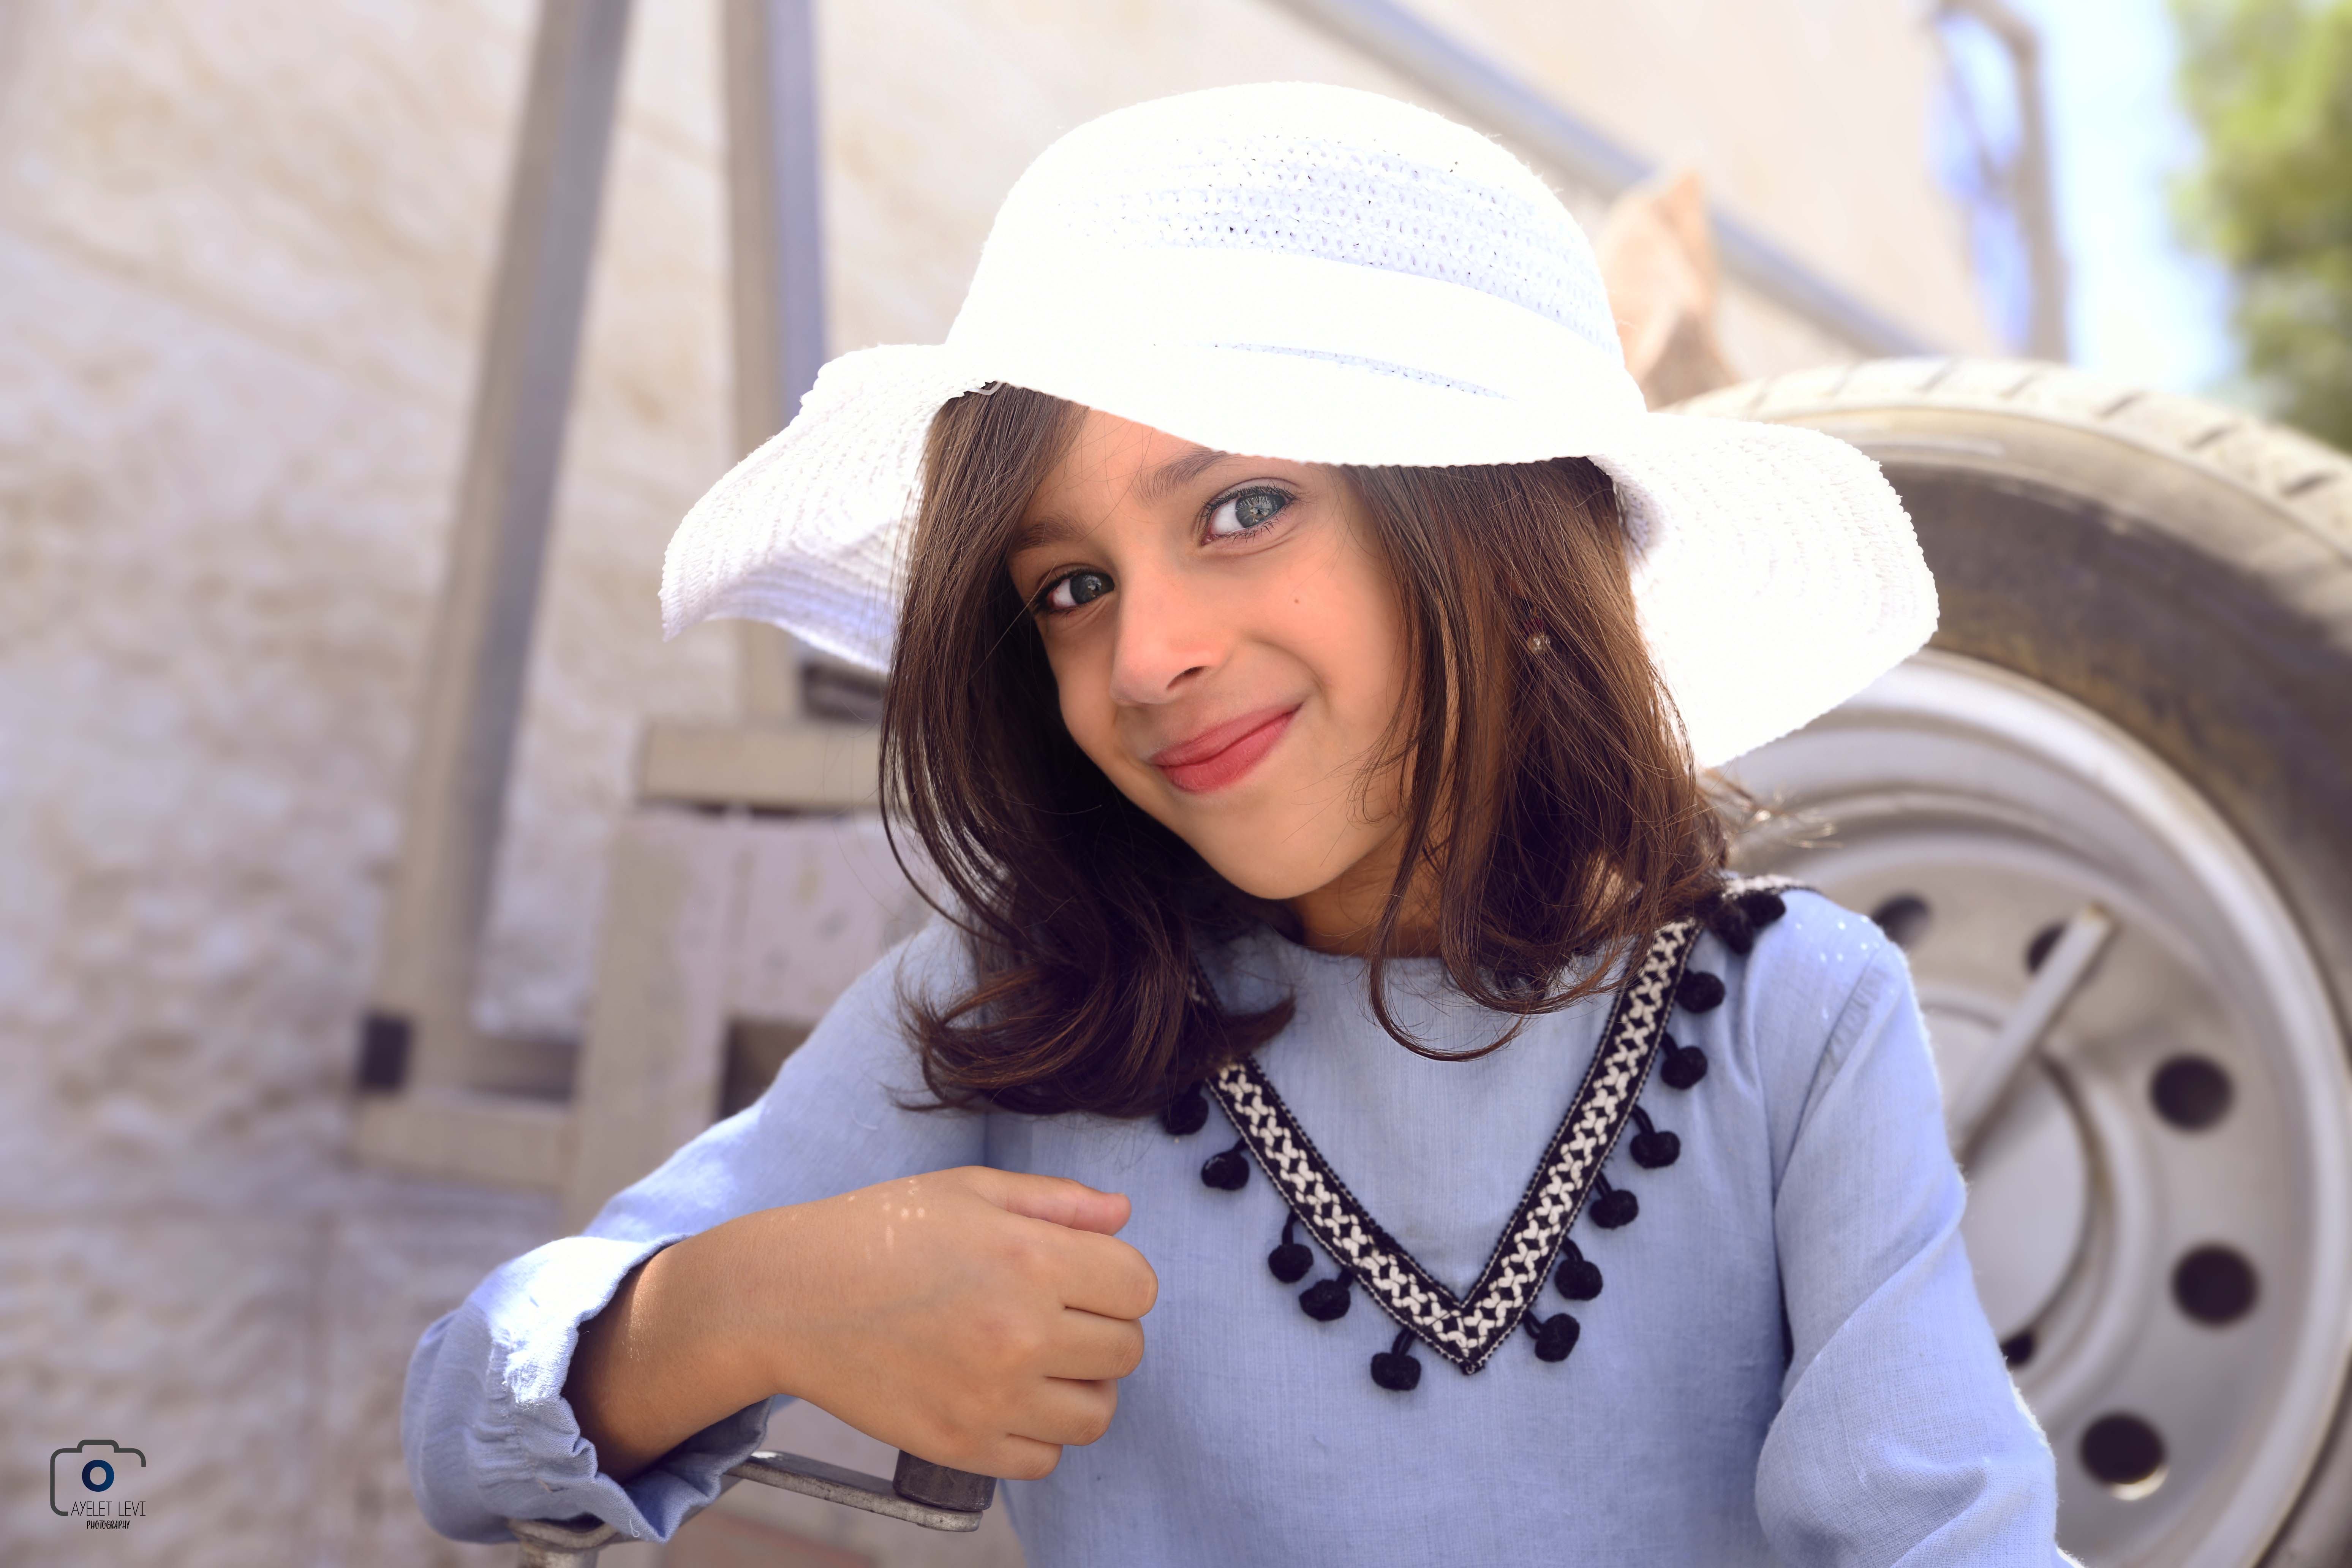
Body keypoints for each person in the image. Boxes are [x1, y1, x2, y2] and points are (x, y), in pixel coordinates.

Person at [404, 83, 2071, 1565]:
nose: (1147, 656)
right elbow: (464, 1428)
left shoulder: (1800, 1020)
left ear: (1497, 529)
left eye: (1243, 508)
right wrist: (759, 1300)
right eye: (1070, 588)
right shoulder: (1019, 1011)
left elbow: (1948, 1536)